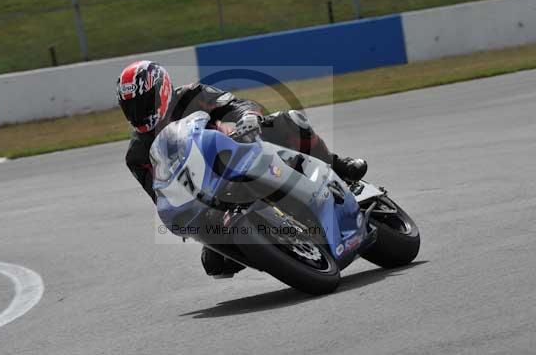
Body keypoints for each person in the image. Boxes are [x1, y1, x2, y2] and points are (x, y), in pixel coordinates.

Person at [117, 60, 367, 277]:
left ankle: (337, 166)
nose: (138, 112)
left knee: (289, 121)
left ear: (161, 90)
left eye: (143, 103)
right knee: (214, 263)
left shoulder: (192, 95)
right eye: (131, 108)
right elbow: (160, 193)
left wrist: (247, 116)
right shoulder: (137, 154)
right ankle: (272, 246)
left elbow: (234, 104)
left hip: (238, 152)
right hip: (206, 197)